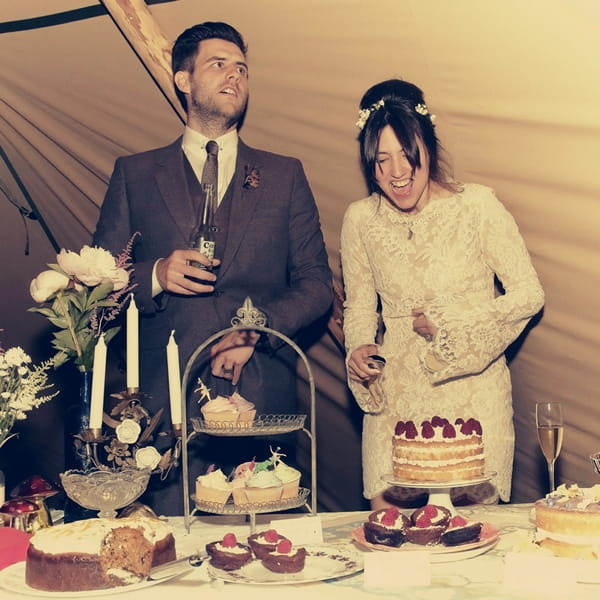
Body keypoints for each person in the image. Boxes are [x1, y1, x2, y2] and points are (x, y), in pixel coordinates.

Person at [93, 22, 332, 515]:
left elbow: (316, 286)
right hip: (160, 406)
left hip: (262, 396)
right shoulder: (134, 174)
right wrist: (155, 274)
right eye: (218, 64)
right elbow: (99, 284)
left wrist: (253, 330)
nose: (234, 76)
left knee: (268, 555)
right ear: (183, 80)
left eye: (241, 68)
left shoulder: (285, 175)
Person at [340, 79, 544, 509]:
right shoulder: (360, 220)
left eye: (407, 154)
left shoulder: (478, 206)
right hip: (394, 406)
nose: (397, 173)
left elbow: (528, 294)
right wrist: (358, 347)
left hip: (473, 401)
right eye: (382, 160)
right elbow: (359, 305)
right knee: (392, 545)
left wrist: (453, 328)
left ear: (428, 147)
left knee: (473, 550)